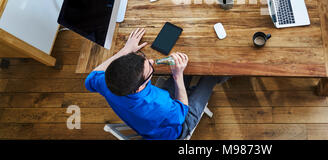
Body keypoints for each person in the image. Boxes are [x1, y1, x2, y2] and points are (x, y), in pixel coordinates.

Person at [84, 28, 228, 140]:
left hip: (147, 123)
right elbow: (182, 113)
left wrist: (126, 50)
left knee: (187, 69)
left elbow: (91, 77)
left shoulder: (106, 82)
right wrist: (178, 76)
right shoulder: (159, 105)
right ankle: (218, 78)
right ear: (139, 87)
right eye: (150, 69)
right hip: (177, 128)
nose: (152, 62)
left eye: (144, 60)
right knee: (211, 76)